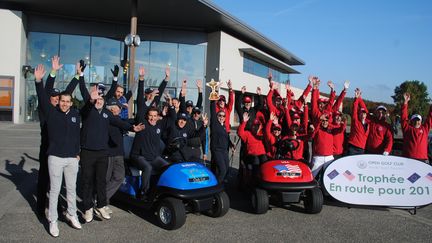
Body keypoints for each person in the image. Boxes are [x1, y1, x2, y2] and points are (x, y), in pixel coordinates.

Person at [78, 62, 143, 223]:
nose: (99, 100)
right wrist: (80, 76)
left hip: (102, 152)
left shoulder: (107, 114)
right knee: (87, 181)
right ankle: (87, 208)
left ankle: (100, 205)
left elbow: (120, 123)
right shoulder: (87, 111)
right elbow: (85, 95)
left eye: (101, 98)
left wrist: (133, 127)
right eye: (96, 98)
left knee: (101, 181)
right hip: (87, 151)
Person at [34, 64, 81, 237]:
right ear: (57, 101)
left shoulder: (74, 114)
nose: (64, 103)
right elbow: (43, 94)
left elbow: (76, 136)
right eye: (61, 100)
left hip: (72, 158)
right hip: (54, 156)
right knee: (54, 190)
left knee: (71, 189)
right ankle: (52, 221)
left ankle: (72, 214)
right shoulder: (51, 113)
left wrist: (77, 153)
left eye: (67, 101)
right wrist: (42, 78)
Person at [130, 66, 170, 198]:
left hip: (153, 157)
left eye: (155, 116)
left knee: (167, 167)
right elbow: (141, 101)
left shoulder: (158, 123)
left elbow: (157, 98)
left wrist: (166, 80)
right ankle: (143, 193)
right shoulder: (142, 121)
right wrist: (141, 79)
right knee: (147, 168)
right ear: (147, 116)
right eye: (150, 116)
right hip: (138, 157)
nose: (152, 118)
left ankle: (161, 188)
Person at [401, 93, 432, 164]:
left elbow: (430, 117)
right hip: (408, 158)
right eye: (415, 120)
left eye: (418, 120)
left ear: (421, 121)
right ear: (411, 121)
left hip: (422, 159)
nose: (417, 122)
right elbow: (403, 117)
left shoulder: (425, 129)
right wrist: (405, 102)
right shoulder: (407, 129)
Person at [210, 94, 232, 182]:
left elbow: (226, 137)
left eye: (223, 116)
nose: (222, 117)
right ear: (217, 116)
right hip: (217, 150)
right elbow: (212, 108)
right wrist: (214, 91)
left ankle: (220, 183)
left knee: (226, 168)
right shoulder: (215, 124)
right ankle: (215, 187)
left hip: (224, 150)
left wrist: (231, 144)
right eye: (220, 116)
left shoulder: (223, 126)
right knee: (222, 170)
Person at [346, 88, 370, 155]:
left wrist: (360, 97)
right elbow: (354, 109)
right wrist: (356, 98)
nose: (363, 115)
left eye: (364, 113)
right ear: (359, 114)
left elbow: (364, 107)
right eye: (361, 113)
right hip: (353, 148)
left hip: (362, 149)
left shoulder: (368, 124)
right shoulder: (355, 121)